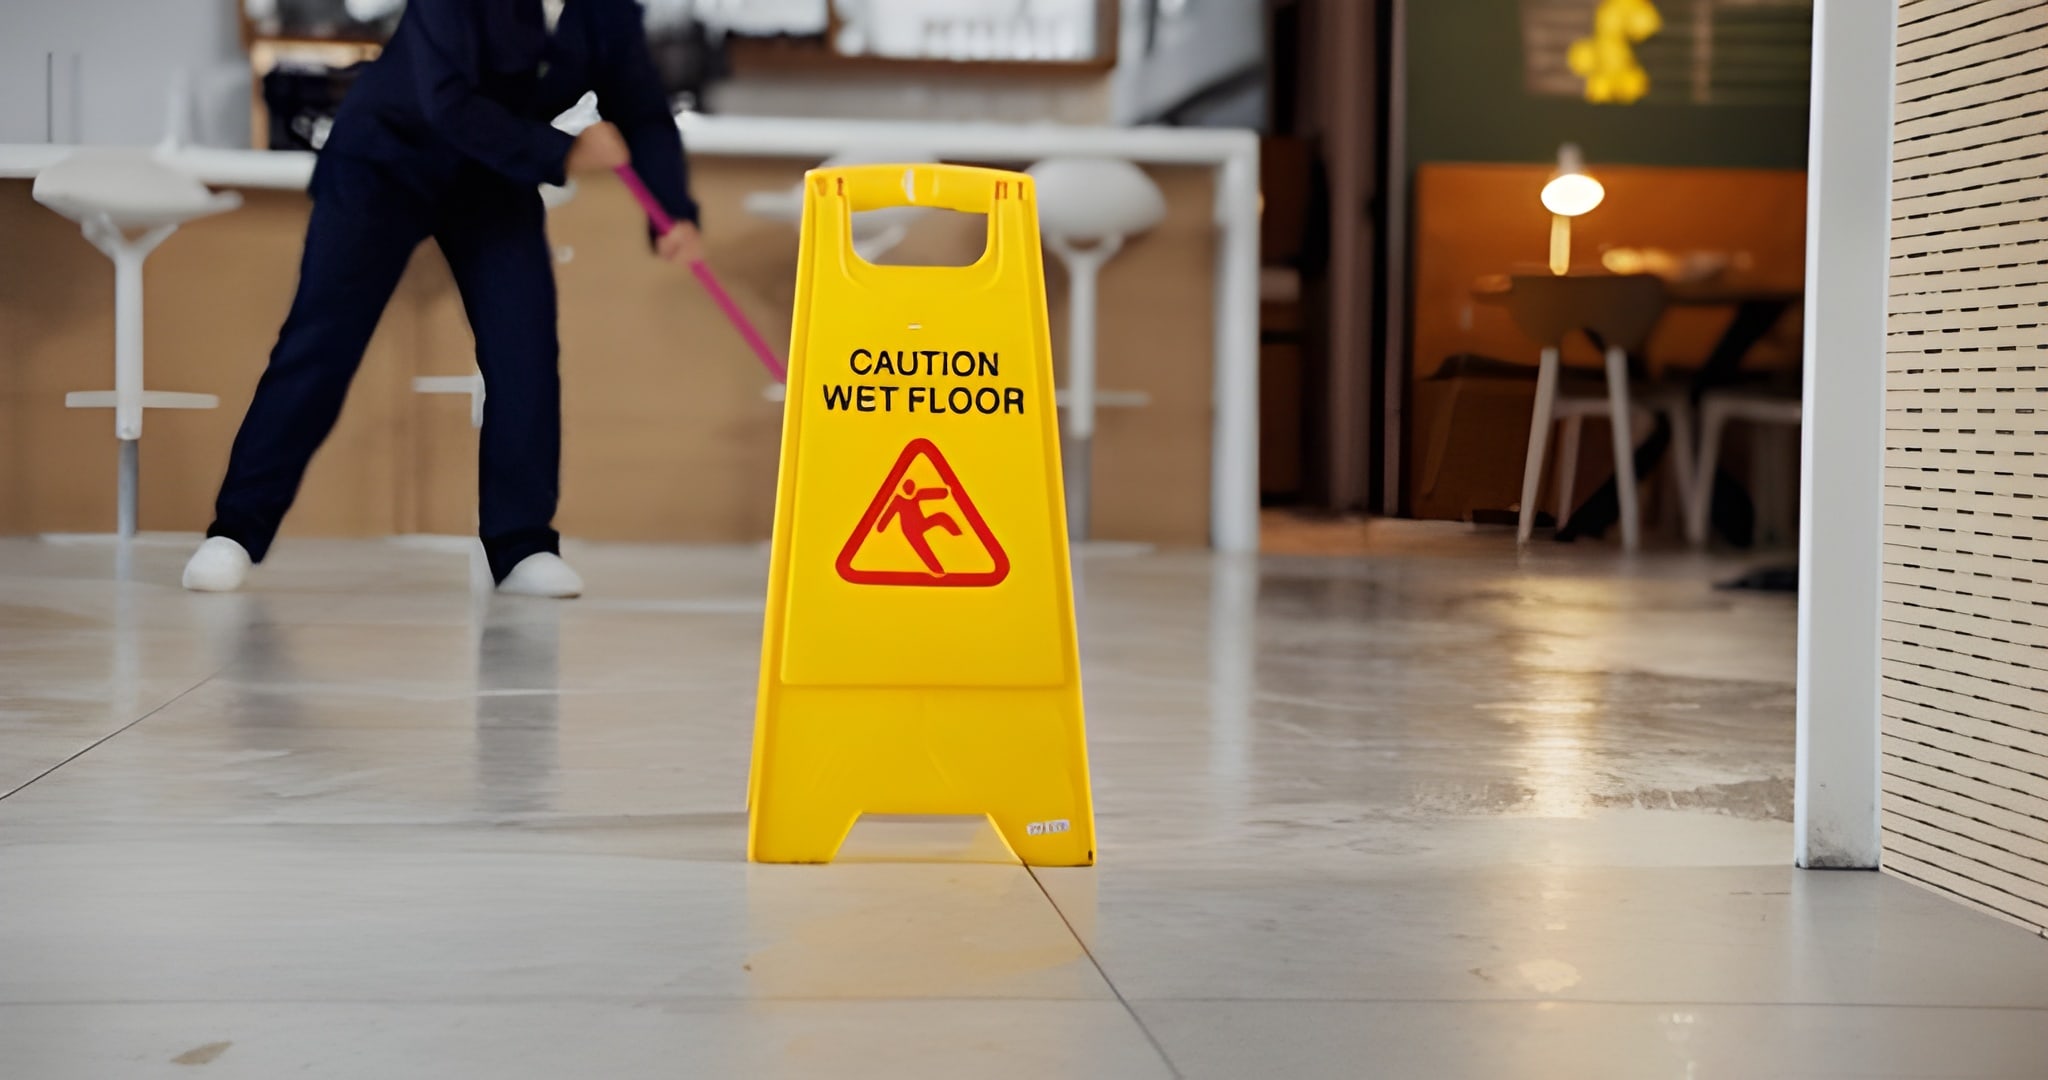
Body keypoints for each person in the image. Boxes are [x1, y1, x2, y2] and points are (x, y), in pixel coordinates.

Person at [182, 0, 701, 598]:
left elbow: (643, 113)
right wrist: (564, 154)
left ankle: (522, 545)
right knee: (321, 345)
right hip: (385, 163)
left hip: (491, 180)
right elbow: (448, 102)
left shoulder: (605, 12)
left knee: (524, 351)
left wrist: (672, 214)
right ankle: (236, 532)